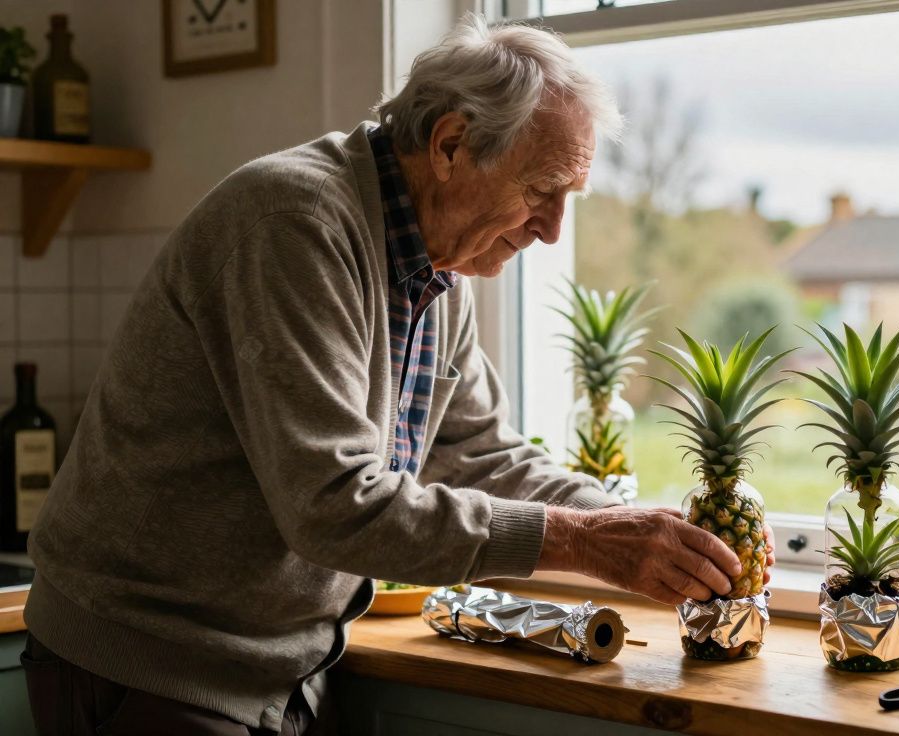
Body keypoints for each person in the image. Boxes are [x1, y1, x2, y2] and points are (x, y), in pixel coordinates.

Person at [21, 16, 773, 736]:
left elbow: (479, 452)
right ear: (451, 144)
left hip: (280, 667)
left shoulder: (435, 265)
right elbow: (333, 505)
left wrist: (637, 531)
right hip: (149, 664)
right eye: (542, 190)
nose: (552, 231)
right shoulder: (294, 222)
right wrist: (583, 542)